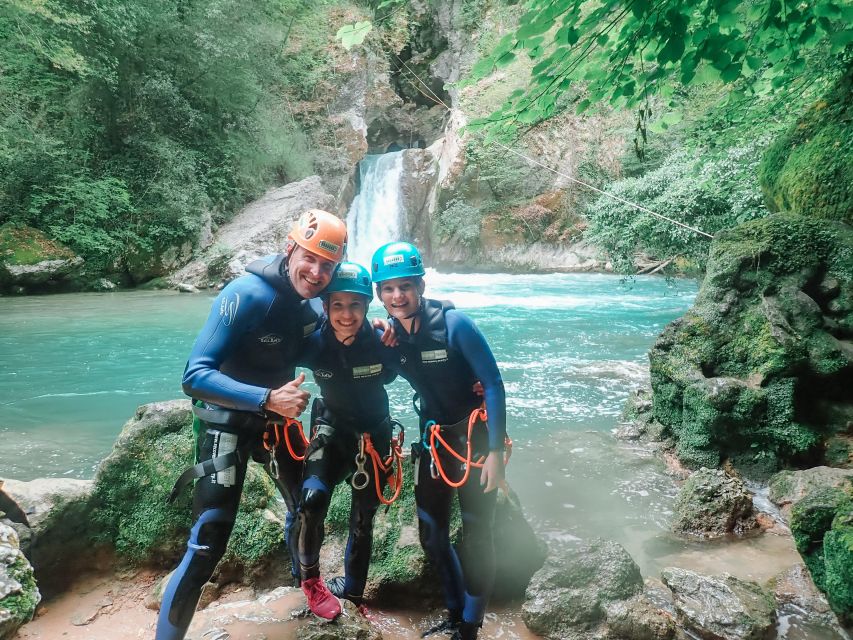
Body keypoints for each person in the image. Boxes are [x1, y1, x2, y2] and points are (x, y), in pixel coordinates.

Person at [156, 209, 347, 640]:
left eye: (327, 264)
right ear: (290, 248)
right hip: (226, 424)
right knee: (208, 543)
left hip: (276, 426)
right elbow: (194, 375)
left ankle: (310, 582)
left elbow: (325, 353)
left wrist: (379, 336)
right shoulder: (246, 294)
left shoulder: (314, 306)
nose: (316, 272)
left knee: (308, 506)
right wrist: (267, 398)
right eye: (310, 257)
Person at [370, 242, 507, 640]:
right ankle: (452, 611)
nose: (398, 296)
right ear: (379, 294)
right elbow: (380, 377)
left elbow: (494, 385)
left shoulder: (455, 325)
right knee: (432, 535)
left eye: (406, 287)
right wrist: (377, 341)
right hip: (432, 443)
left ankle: (470, 626)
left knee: (477, 535)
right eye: (389, 289)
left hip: (475, 441)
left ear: (422, 285)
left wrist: (496, 453)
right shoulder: (392, 338)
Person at [295, 261, 403, 620]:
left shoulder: (383, 339)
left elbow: (424, 366)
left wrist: (475, 390)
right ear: (325, 307)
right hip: (332, 429)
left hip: (375, 434)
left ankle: (354, 590)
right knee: (310, 501)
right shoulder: (313, 343)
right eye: (337, 305)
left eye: (355, 305)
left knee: (363, 518)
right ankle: (310, 580)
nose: (346, 314)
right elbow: (270, 358)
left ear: (368, 306)